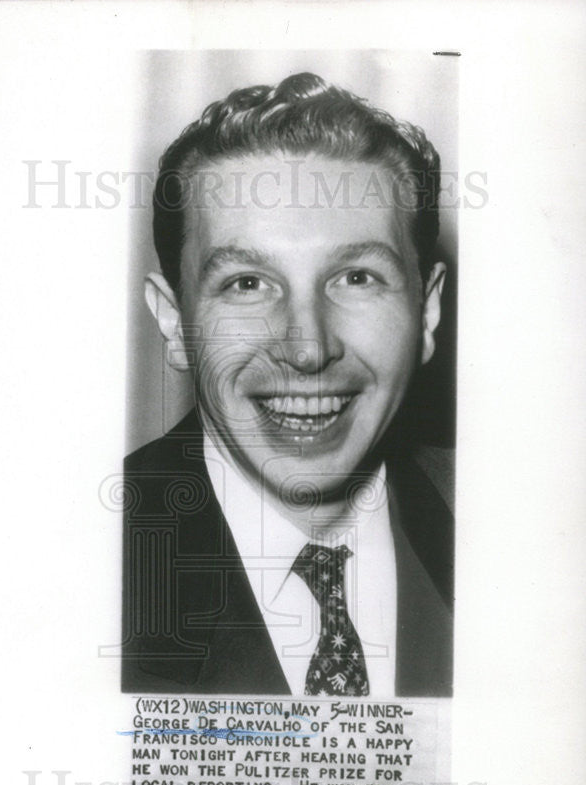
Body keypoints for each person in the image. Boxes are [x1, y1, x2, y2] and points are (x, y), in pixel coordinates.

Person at [121, 72, 453, 697]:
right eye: (247, 283)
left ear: (427, 313)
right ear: (174, 320)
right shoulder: (73, 554)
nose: (307, 348)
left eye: (357, 277)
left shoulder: (523, 536)